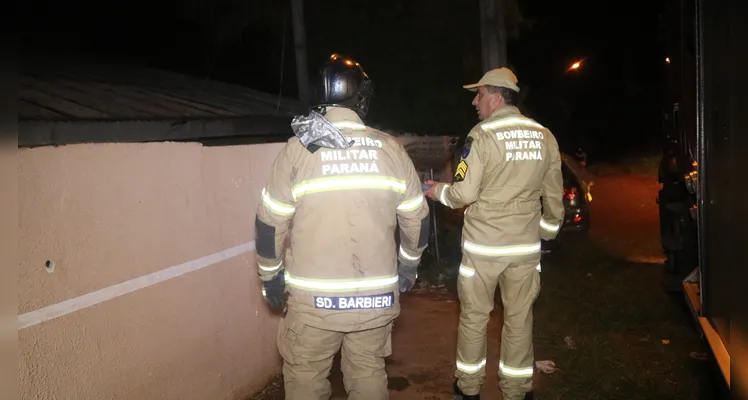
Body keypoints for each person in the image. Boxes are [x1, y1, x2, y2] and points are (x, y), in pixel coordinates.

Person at [255, 53, 430, 400]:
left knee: (306, 377)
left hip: (313, 303)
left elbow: (268, 223)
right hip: (375, 299)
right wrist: (408, 266)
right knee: (367, 374)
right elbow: (418, 219)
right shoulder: (391, 149)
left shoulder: (297, 151)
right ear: (359, 96)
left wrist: (270, 277)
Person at [423, 67, 565, 400]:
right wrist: (544, 231)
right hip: (524, 250)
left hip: (483, 250)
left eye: (480, 94)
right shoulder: (544, 136)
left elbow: (463, 194)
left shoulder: (481, 136)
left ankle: (469, 389)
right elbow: (554, 197)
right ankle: (517, 391)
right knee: (519, 318)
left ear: (497, 97)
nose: (475, 101)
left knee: (474, 318)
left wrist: (436, 192)